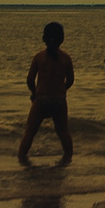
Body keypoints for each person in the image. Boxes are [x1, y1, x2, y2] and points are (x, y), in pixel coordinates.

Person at [17, 22, 75, 164]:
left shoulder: (39, 57)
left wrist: (33, 92)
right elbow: (71, 80)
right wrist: (63, 89)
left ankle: (22, 159)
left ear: (44, 38)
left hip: (42, 99)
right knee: (63, 132)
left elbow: (30, 79)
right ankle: (68, 158)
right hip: (59, 100)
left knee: (30, 131)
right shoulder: (66, 59)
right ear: (62, 39)